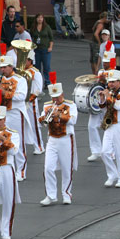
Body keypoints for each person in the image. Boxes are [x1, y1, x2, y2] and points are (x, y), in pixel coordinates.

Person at [38, 75, 78, 205]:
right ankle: (51, 195)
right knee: (48, 168)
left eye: (58, 96)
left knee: (67, 168)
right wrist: (44, 117)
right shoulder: (47, 106)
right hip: (52, 139)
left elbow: (73, 120)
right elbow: (41, 122)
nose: (56, 99)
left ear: (62, 94)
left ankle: (66, 193)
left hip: (66, 139)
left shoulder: (70, 105)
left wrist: (59, 115)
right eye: (53, 97)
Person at [0, 55, 33, 180]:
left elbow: (21, 97)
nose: (2, 70)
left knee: (19, 142)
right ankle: (3, 167)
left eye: (5, 67)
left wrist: (4, 92)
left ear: (11, 67)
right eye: (1, 67)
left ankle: (21, 171)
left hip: (16, 113)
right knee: (1, 140)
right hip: (3, 113)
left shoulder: (20, 80)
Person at [0, 97, 20, 239]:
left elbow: (14, 152)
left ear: (4, 119)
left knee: (9, 200)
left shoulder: (13, 134)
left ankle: (6, 230)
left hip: (7, 169)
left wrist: (3, 140)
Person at [99, 69, 120, 187]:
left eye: (113, 82)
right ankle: (112, 174)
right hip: (110, 125)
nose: (110, 84)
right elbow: (103, 108)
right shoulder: (110, 93)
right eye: (109, 82)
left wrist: (107, 96)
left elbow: (118, 106)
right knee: (104, 152)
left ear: (119, 82)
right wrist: (102, 98)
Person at [87, 53, 111, 161]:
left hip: (109, 103)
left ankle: (111, 151)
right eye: (104, 61)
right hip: (98, 102)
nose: (105, 63)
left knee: (109, 127)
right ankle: (96, 151)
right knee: (91, 126)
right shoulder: (101, 71)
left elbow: (113, 87)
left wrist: (105, 81)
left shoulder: (116, 73)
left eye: (107, 62)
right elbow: (97, 85)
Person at [25, 51, 45, 155]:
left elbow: (38, 90)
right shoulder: (21, 72)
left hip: (30, 102)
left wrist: (29, 100)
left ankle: (39, 146)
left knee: (34, 125)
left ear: (30, 61)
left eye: (25, 60)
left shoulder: (35, 73)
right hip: (21, 102)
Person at [30, 13, 54, 87]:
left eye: (41, 18)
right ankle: (38, 82)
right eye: (38, 18)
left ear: (43, 19)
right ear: (36, 19)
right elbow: (30, 37)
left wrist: (50, 47)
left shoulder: (47, 27)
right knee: (37, 67)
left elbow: (51, 38)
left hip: (45, 50)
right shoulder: (33, 27)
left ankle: (47, 82)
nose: (40, 19)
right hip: (36, 50)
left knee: (46, 67)